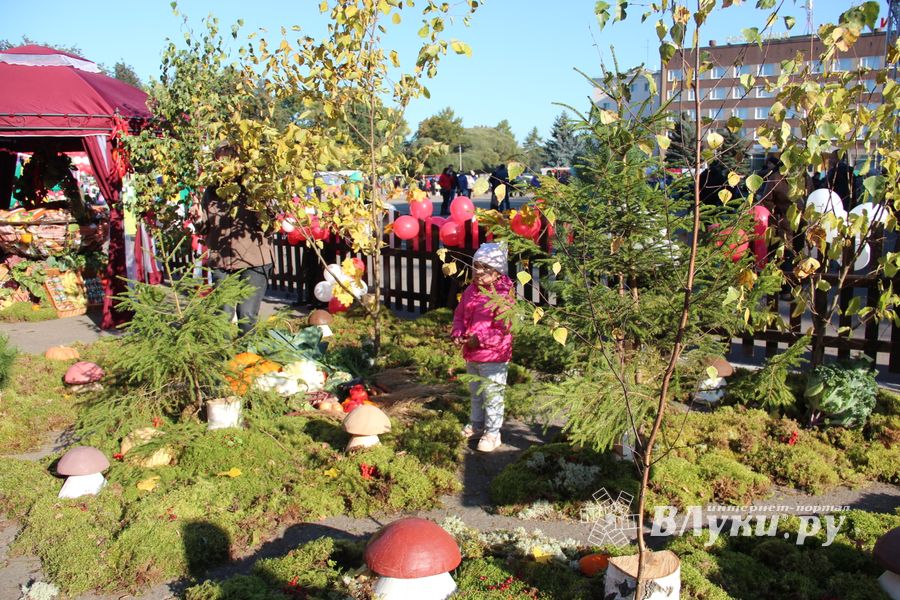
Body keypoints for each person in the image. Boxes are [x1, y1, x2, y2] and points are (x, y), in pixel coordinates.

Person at [190, 141, 274, 336]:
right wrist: (198, 218)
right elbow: (204, 228)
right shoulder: (211, 191)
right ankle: (224, 359)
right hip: (222, 262)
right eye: (218, 162)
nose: (222, 166)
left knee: (246, 316)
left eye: (227, 161)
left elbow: (270, 226)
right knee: (222, 315)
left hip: (254, 261)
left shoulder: (253, 188)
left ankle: (248, 358)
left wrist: (268, 207)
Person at [451, 242, 513, 453]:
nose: (478, 271)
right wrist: (459, 333)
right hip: (473, 353)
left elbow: (504, 328)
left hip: (494, 356)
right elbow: (459, 315)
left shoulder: (503, 295)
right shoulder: (471, 290)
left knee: (493, 395)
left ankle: (493, 433)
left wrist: (481, 339)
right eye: (476, 265)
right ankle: (477, 424)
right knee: (476, 392)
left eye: (485, 268)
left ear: (497, 272)